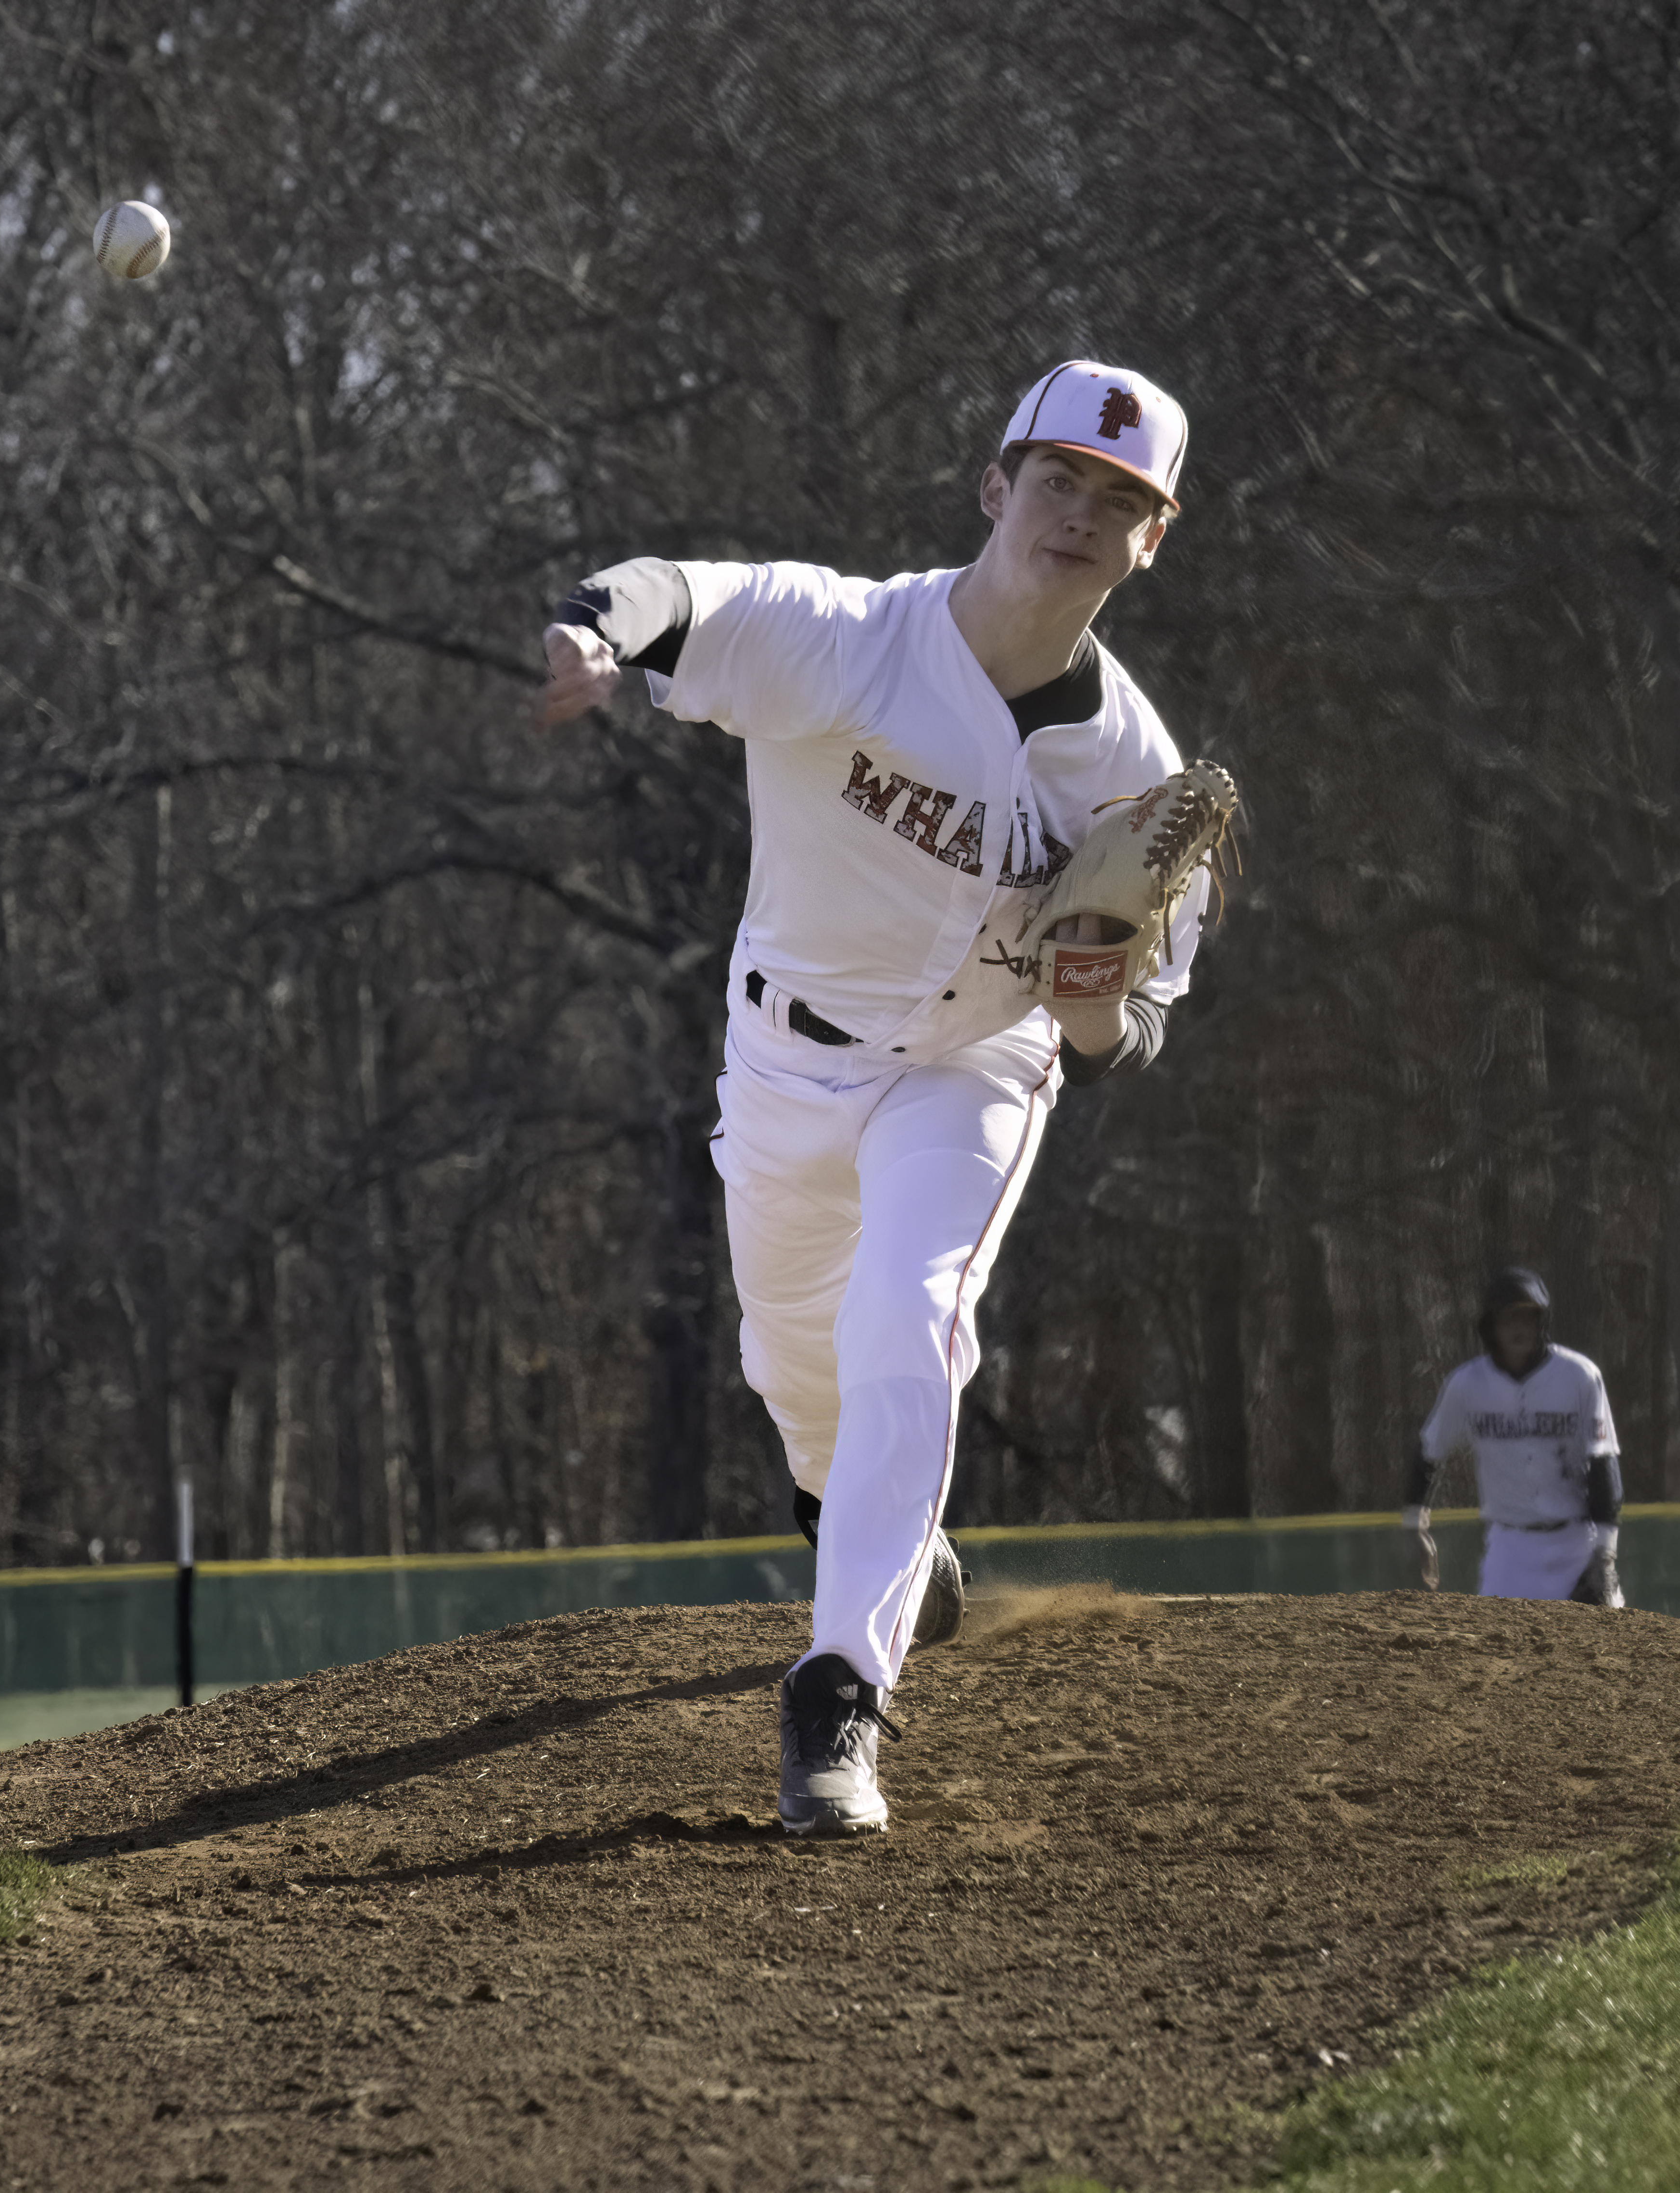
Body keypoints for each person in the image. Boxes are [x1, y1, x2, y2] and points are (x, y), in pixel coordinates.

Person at [534, 360, 1213, 1835]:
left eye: (1121, 501)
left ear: (1151, 541)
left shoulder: (1139, 781)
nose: (1080, 516)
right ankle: (874, 1524)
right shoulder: (851, 639)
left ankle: (838, 1688)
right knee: (795, 1374)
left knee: (912, 1310)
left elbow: (1125, 1031)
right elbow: (671, 591)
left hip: (971, 1065)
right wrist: (593, 637)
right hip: (783, 1054)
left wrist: (1095, 1018)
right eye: (1057, 480)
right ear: (994, 487)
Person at [1406, 1268, 1624, 1605]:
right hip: (1510, 1551)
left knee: (1607, 1652)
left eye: (1528, 1316)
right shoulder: (1467, 1385)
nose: (1519, 1327)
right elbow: (1428, 1452)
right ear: (1490, 1326)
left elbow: (1603, 1463)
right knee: (1498, 1652)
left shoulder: (1579, 1376)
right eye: (1508, 1319)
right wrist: (1415, 1526)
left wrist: (1605, 1556)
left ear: (1542, 1321)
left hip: (1577, 1544)